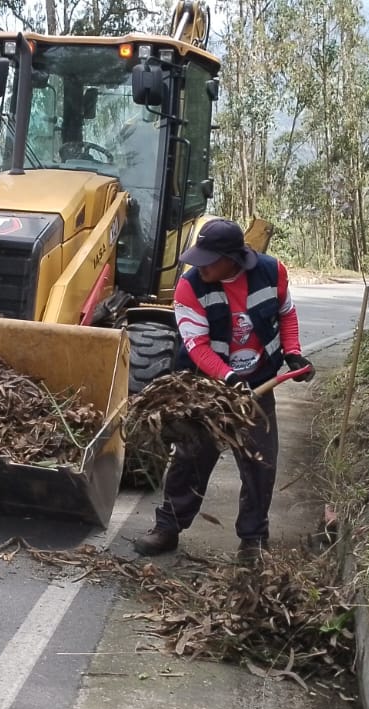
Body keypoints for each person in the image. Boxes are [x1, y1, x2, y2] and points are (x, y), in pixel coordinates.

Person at [132, 218, 311, 563]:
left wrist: (293, 352)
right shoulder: (189, 287)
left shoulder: (272, 272)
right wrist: (229, 379)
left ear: (232, 258)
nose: (200, 266)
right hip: (206, 387)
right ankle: (167, 528)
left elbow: (287, 314)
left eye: (208, 260)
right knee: (191, 457)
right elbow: (197, 347)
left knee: (260, 463)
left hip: (258, 384)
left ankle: (253, 540)